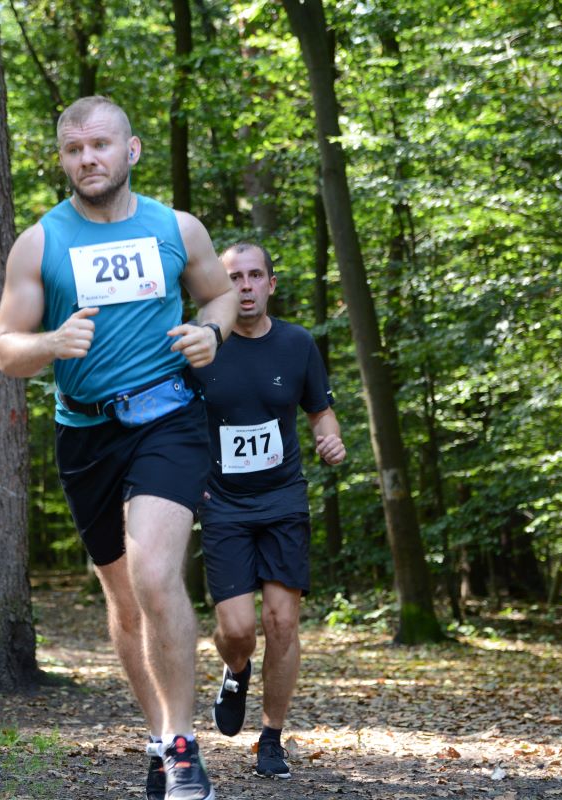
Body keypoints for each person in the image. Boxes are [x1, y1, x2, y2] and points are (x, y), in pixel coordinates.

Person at [0, 95, 237, 800]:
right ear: (62, 159)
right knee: (127, 603)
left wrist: (211, 333)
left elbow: (219, 296)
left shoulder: (176, 227)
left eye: (100, 145)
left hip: (168, 419)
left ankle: (184, 748)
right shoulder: (40, 242)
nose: (88, 159)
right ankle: (159, 737)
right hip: (86, 435)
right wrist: (50, 341)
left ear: (131, 151)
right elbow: (6, 349)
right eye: (74, 150)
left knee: (155, 575)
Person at [189, 242, 346, 780]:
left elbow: (321, 412)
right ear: (221, 286)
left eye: (255, 275)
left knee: (282, 623)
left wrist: (330, 439)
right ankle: (236, 670)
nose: (246, 286)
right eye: (234, 277)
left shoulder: (297, 344)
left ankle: (271, 738)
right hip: (223, 503)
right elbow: (175, 422)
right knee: (238, 631)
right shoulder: (202, 345)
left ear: (271, 284)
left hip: (283, 500)